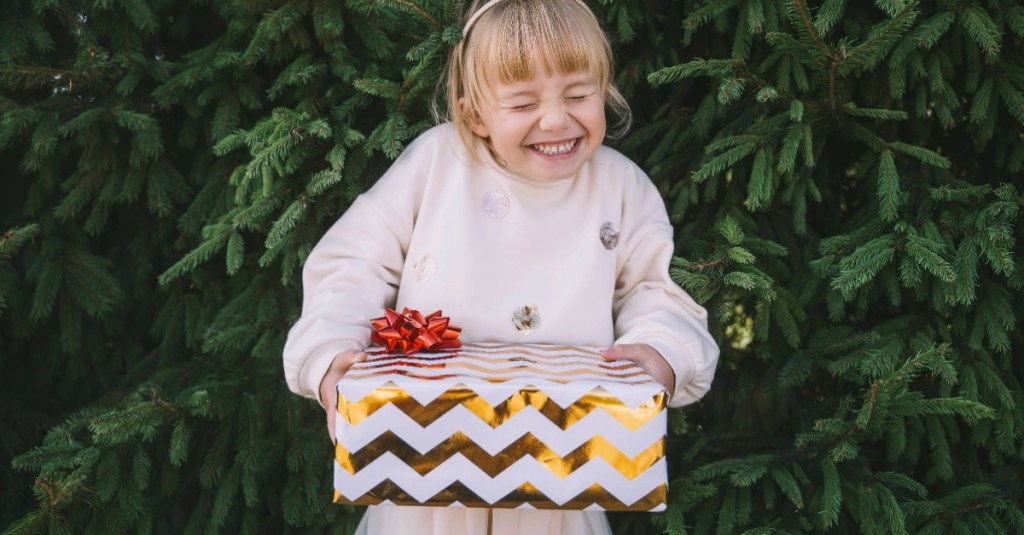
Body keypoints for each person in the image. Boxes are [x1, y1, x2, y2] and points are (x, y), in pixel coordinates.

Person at [282, 0, 720, 533]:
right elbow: (351, 265)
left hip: (564, 478)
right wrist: (332, 358)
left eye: (580, 94)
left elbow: (655, 291)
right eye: (522, 103)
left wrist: (659, 355)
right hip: (421, 484)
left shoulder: (621, 189)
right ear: (474, 114)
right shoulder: (436, 164)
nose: (557, 118)